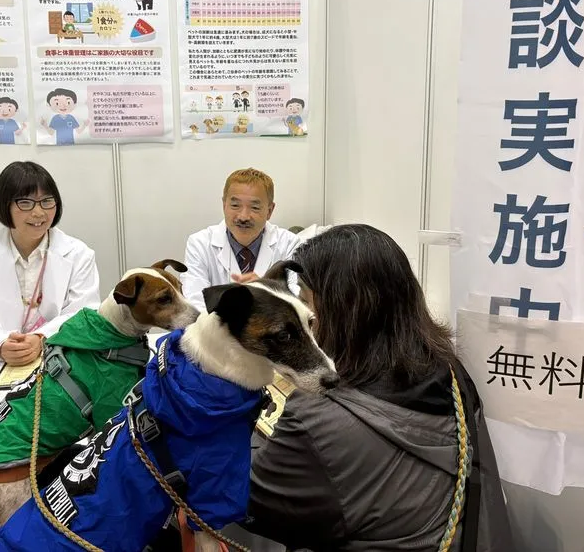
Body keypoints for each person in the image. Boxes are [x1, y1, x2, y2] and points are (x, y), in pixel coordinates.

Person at [244, 224, 515, 551]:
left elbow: (247, 499)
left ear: (342, 311)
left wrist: (237, 403)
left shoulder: (318, 418)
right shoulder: (449, 371)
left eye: (303, 300)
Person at [0, 161, 100, 365]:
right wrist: (0, 344)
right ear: (4, 205)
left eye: (46, 201)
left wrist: (42, 338)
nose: (39, 213)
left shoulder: (79, 254)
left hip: (60, 357)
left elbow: (83, 312)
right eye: (25, 203)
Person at [180, 168, 302, 312]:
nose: (243, 217)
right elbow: (195, 303)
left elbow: (299, 303)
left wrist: (265, 291)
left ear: (269, 210)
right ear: (224, 205)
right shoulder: (199, 244)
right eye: (235, 205)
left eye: (255, 207)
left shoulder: (290, 244)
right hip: (216, 326)